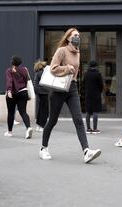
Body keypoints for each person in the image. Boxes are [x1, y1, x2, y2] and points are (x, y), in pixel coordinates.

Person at [39, 28, 101, 163]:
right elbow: (53, 68)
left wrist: (71, 76)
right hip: (59, 89)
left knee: (78, 120)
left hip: (71, 87)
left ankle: (86, 151)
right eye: (74, 35)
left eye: (78, 35)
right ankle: (43, 148)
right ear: (68, 38)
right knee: (52, 120)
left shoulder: (78, 52)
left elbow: (76, 72)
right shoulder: (62, 50)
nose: (77, 37)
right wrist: (67, 68)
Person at [4, 55, 33, 138]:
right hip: (23, 91)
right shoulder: (24, 70)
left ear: (13, 62)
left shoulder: (9, 70)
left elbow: (9, 81)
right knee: (23, 112)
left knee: (11, 112)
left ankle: (9, 132)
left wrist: (9, 90)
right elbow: (25, 81)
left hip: (13, 93)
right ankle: (28, 128)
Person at [84, 60, 104, 134]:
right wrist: (99, 91)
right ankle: (95, 129)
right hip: (96, 95)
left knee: (88, 112)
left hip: (88, 94)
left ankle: (88, 129)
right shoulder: (98, 74)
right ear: (96, 66)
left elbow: (83, 84)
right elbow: (101, 85)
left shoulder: (86, 74)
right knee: (95, 111)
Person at [33, 60, 49, 132]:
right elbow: (45, 82)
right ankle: (42, 125)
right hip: (44, 92)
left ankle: (38, 125)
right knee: (45, 109)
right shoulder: (42, 73)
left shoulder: (37, 72)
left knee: (41, 108)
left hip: (39, 92)